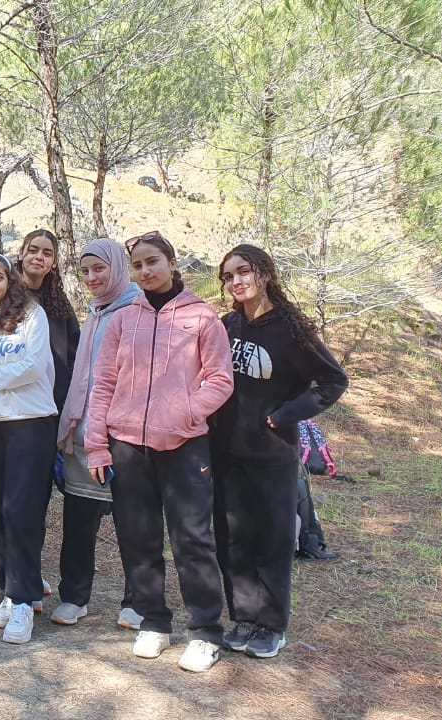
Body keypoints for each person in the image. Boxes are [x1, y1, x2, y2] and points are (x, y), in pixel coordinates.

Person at [85, 230, 234, 673]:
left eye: (153, 262)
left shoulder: (202, 317)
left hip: (185, 446)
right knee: (138, 537)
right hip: (128, 444)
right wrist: (97, 446)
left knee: (192, 539)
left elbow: (220, 380)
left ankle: (206, 631)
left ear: (172, 263)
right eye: (138, 265)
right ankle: (153, 620)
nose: (146, 271)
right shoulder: (123, 320)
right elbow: (103, 383)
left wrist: (186, 413)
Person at [211, 244, 348, 659]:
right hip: (226, 452)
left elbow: (333, 381)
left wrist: (286, 414)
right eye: (228, 276)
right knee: (233, 539)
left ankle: (271, 625)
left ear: (264, 274)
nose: (236, 281)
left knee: (272, 539)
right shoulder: (227, 325)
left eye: (243, 271)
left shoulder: (290, 331)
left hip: (272, 455)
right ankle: (244, 617)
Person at [50, 238, 141, 629]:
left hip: (123, 434)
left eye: (99, 269)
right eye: (85, 271)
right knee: (78, 520)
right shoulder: (94, 311)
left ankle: (137, 600)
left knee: (133, 522)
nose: (91, 278)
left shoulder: (137, 310)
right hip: (84, 431)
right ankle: (74, 596)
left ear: (117, 267)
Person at [0, 253, 58, 644]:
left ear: (10, 280)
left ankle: (23, 602)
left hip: (28, 422)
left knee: (21, 509)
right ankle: (11, 589)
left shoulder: (31, 315)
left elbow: (32, 367)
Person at [17, 229, 79, 412]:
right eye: (32, 250)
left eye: (47, 253)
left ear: (54, 262)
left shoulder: (59, 303)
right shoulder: (5, 298)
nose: (38, 257)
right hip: (15, 402)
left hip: (53, 402)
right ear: (21, 254)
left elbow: (74, 352)